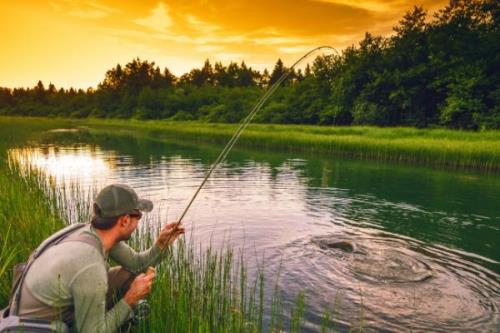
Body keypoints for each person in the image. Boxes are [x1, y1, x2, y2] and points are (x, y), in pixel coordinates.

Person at [16, 184, 185, 332]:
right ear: (124, 221)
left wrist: (161, 245)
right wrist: (131, 298)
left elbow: (136, 265)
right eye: (138, 216)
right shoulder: (90, 265)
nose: (138, 222)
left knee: (128, 275)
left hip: (51, 307)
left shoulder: (90, 232)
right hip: (38, 326)